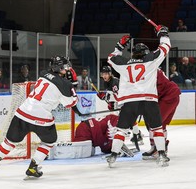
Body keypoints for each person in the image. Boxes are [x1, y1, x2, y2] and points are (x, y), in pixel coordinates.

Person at [0, 55, 78, 178]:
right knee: (49, 141)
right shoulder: (65, 84)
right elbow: (70, 103)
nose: (67, 70)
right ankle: (33, 167)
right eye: (65, 67)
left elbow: (53, 82)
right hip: (42, 118)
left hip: (22, 112)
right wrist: (72, 84)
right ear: (59, 68)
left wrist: (66, 83)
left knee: (10, 141)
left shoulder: (43, 74)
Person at [106, 24, 171, 167]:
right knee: (157, 128)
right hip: (148, 100)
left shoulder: (124, 63)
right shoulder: (151, 60)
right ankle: (161, 155)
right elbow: (165, 47)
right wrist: (163, 33)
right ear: (146, 52)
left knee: (121, 130)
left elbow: (110, 58)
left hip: (130, 102)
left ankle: (113, 156)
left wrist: (119, 46)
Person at [142, 68, 181, 159]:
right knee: (161, 123)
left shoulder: (151, 71)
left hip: (169, 97)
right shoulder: (151, 69)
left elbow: (158, 88)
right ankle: (160, 147)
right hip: (171, 95)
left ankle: (157, 147)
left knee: (155, 122)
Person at [73, 114, 140, 156]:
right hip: (86, 130)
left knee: (87, 153)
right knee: (74, 152)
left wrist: (116, 148)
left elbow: (105, 149)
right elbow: (112, 133)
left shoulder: (116, 126)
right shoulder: (116, 119)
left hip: (89, 134)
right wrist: (118, 148)